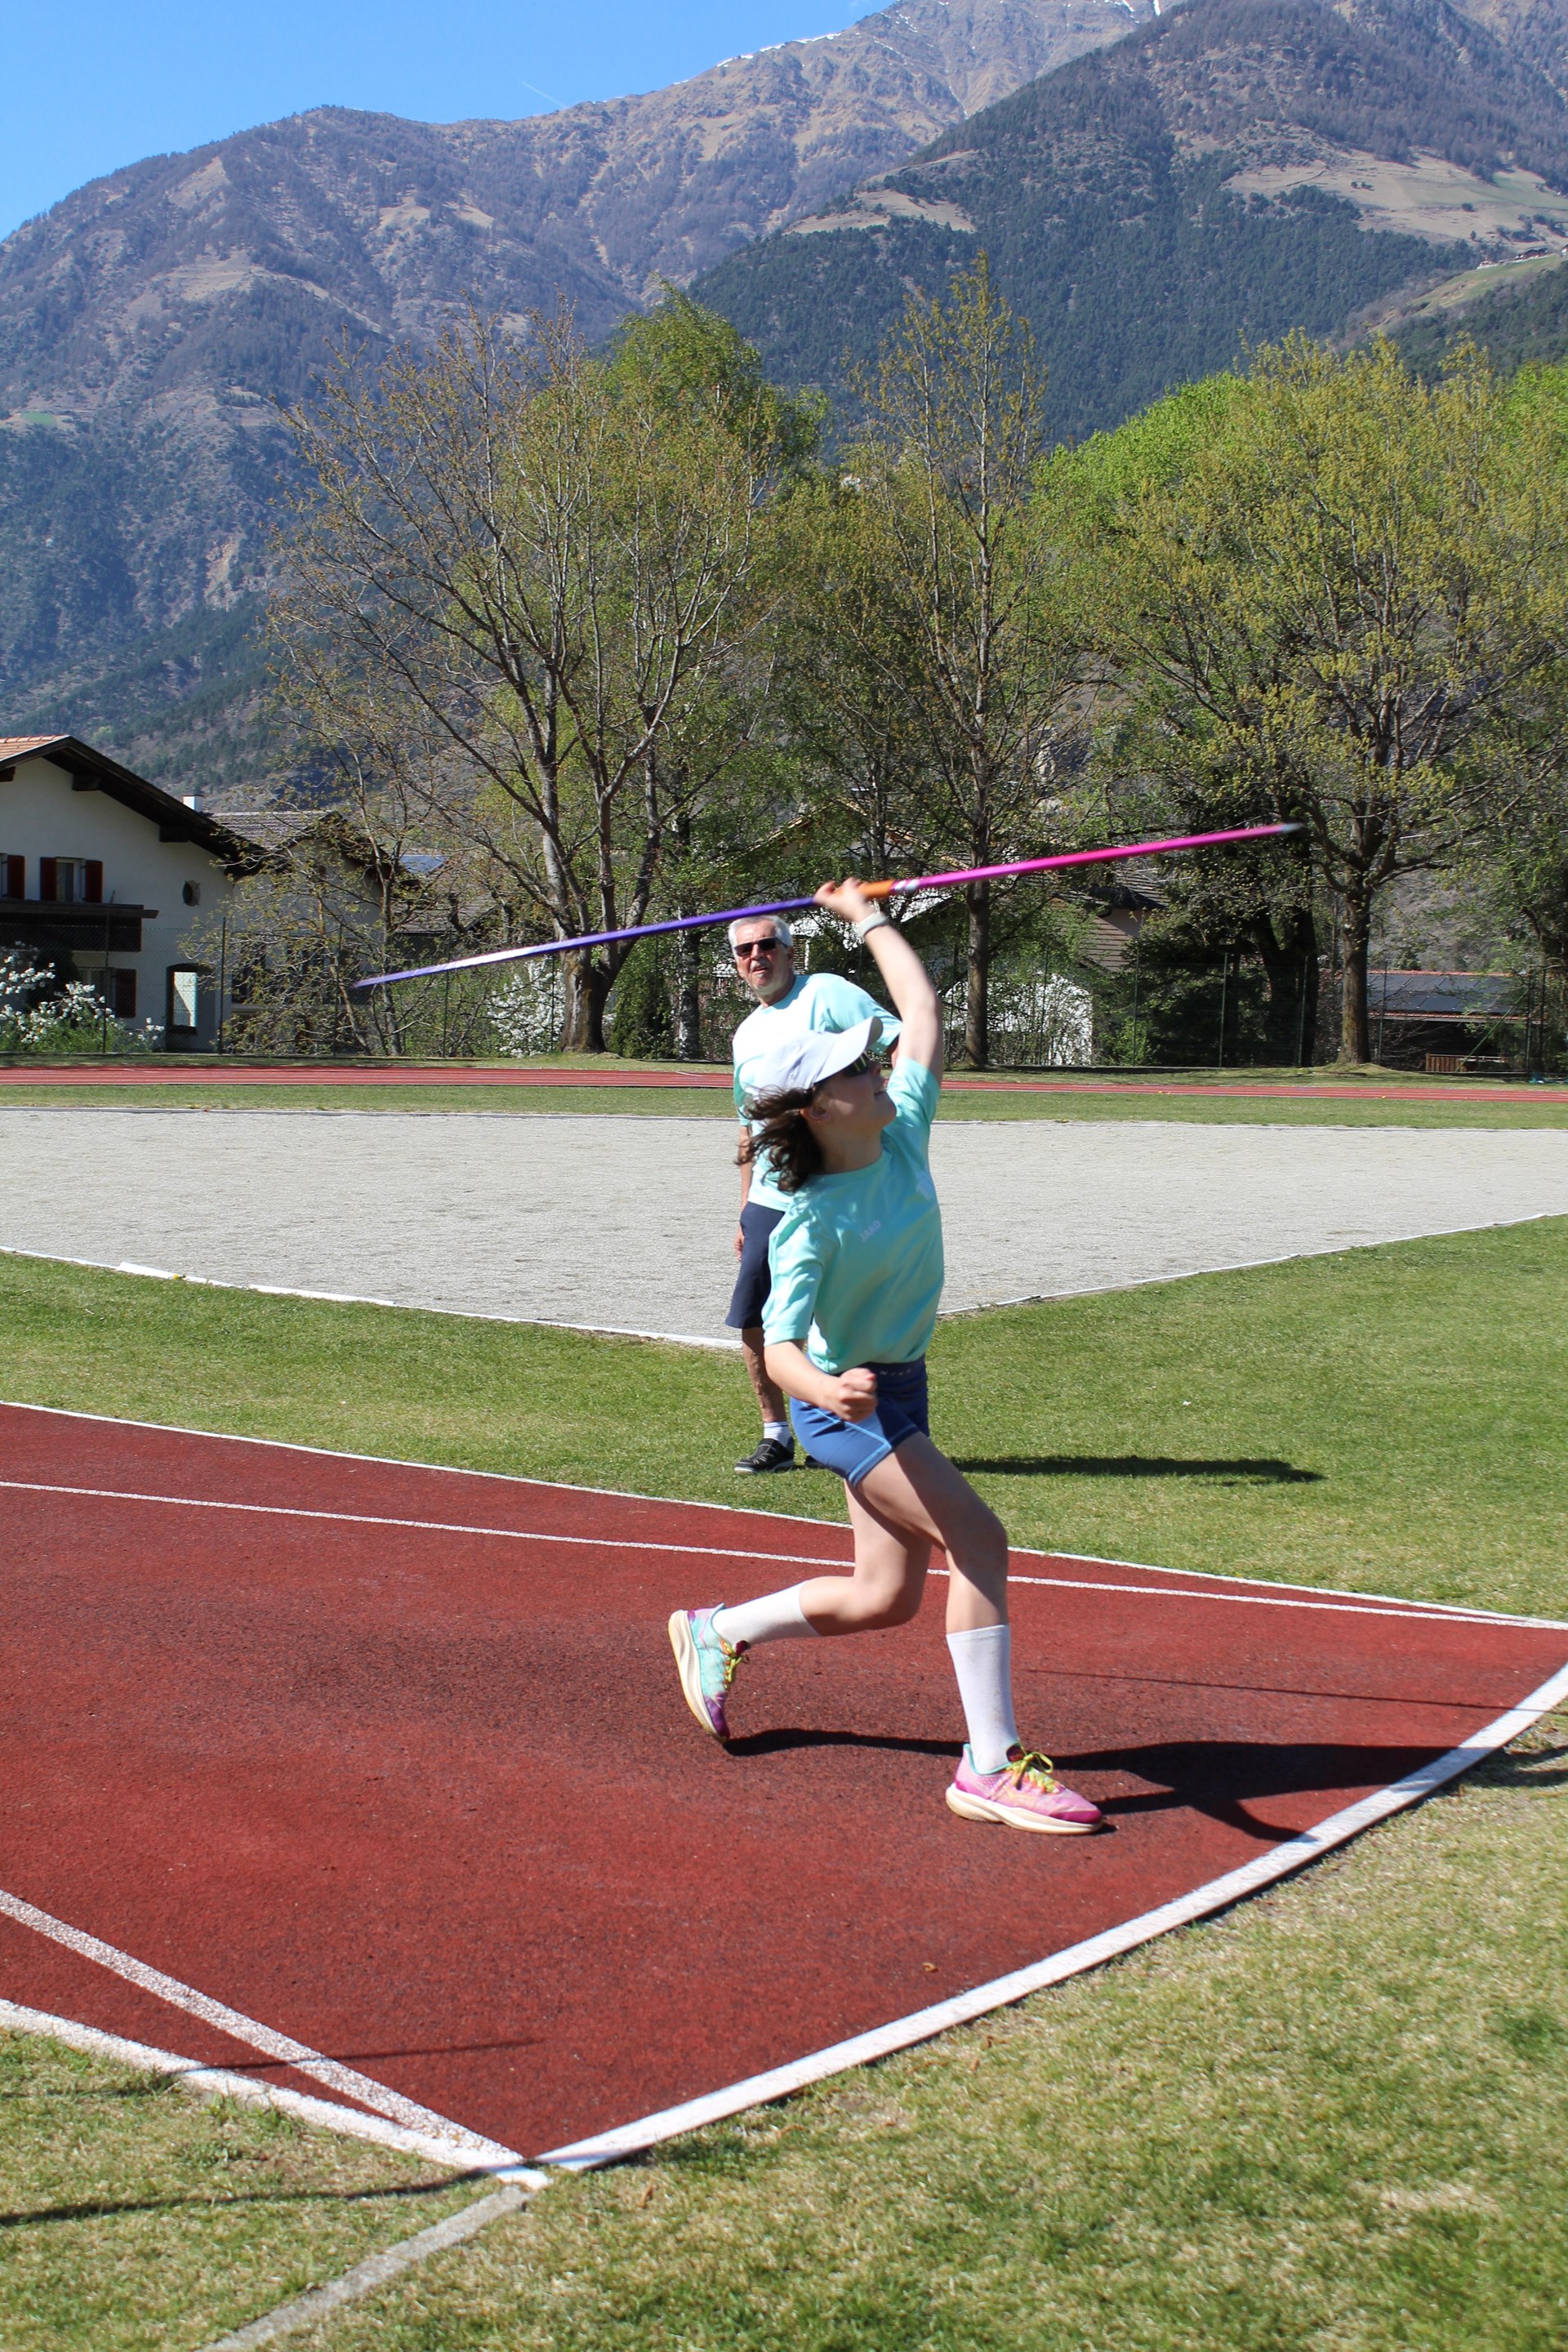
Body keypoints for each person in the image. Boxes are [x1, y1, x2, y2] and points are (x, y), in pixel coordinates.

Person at [672, 880, 1102, 1835]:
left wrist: (864, 920)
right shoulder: (808, 1224)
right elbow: (782, 1351)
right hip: (842, 1407)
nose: (876, 1067)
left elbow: (921, 1009)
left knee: (885, 1596)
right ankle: (989, 1765)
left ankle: (719, 1630)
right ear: (819, 1110)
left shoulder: (902, 1127)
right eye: (852, 1069)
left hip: (899, 1385)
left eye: (870, 1061)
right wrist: (827, 1390)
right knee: (980, 1541)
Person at [726, 911, 899, 1474]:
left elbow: (901, 1042)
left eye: (766, 944)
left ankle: (852, 1427)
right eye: (745, 950)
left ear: (788, 950)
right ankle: (776, 1435)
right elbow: (748, 1126)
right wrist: (745, 1206)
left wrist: (883, 1129)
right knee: (757, 1317)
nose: (757, 956)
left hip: (837, 1191)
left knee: (847, 1315)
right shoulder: (746, 1034)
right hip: (771, 1201)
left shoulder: (826, 993)